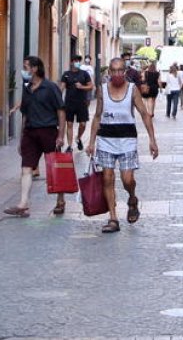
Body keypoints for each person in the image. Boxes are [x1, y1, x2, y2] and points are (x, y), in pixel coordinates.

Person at [86, 57, 159, 233]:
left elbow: (144, 113)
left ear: (125, 72)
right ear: (109, 72)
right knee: (107, 178)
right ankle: (113, 218)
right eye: (114, 71)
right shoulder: (103, 90)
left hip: (127, 141)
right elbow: (97, 116)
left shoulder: (132, 89)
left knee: (127, 180)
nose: (117, 74)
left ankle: (132, 198)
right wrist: (91, 142)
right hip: (106, 140)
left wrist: (152, 140)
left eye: (120, 70)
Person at [3, 56, 67, 218]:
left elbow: (61, 111)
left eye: (26, 67)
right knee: (26, 167)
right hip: (30, 132)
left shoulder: (51, 87)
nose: (24, 70)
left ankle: (60, 200)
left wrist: (60, 135)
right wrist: (22, 136)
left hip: (48, 131)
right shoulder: (27, 89)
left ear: (35, 68)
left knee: (54, 167)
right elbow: (25, 113)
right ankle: (23, 204)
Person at [60, 54, 94, 152]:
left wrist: (82, 87)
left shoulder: (84, 74)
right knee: (69, 124)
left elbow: (91, 86)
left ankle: (78, 138)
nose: (77, 63)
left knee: (83, 124)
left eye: (79, 61)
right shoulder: (66, 74)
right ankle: (70, 146)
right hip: (69, 103)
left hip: (82, 103)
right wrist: (57, 98)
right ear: (71, 62)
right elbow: (61, 88)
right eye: (75, 61)